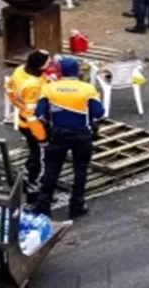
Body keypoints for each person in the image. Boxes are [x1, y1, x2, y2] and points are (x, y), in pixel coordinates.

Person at [33, 56, 104, 219]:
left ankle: (44, 204)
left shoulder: (49, 88)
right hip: (81, 134)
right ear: (78, 71)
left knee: (52, 168)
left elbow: (39, 114)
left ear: (60, 71)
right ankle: (77, 204)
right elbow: (99, 112)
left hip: (58, 133)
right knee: (81, 169)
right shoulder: (88, 89)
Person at [4, 50, 49, 201]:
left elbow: (10, 90)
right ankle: (33, 186)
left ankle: (26, 176)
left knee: (34, 152)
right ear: (41, 66)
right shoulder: (33, 86)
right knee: (40, 156)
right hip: (33, 126)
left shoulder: (20, 71)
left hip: (22, 120)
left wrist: (19, 105)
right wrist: (42, 137)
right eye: (47, 62)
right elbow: (32, 116)